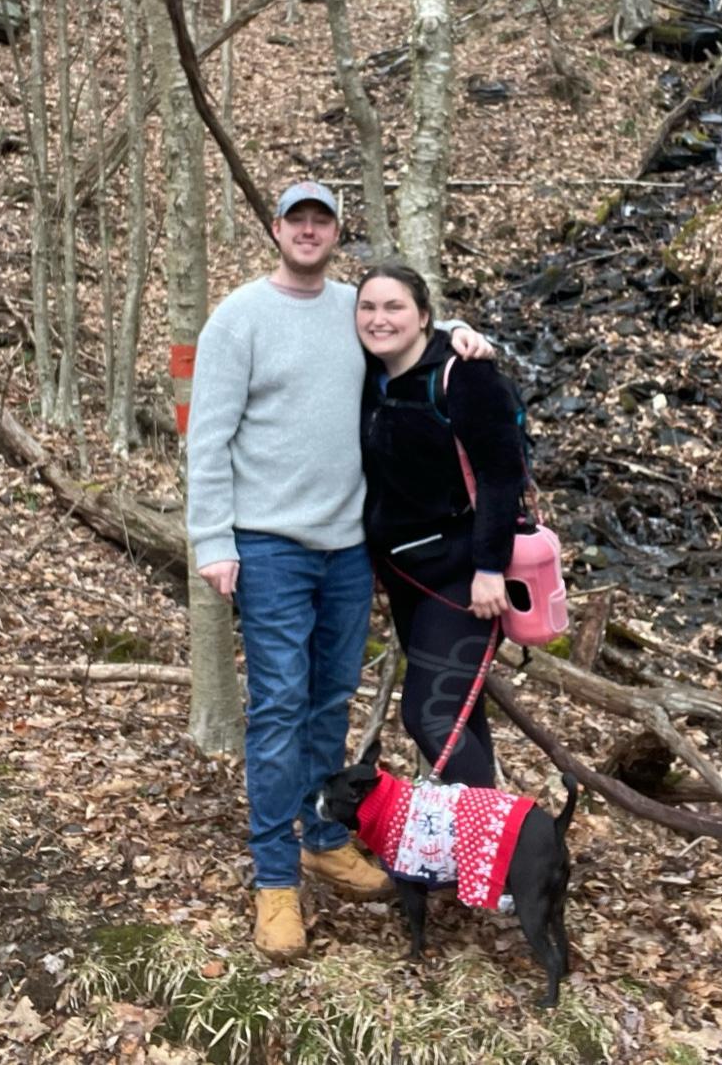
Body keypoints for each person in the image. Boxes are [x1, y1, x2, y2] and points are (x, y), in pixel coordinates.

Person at [186, 182, 492, 961]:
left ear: (335, 232)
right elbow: (208, 438)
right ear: (278, 229)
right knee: (280, 704)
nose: (310, 231)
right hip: (268, 546)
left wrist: (461, 333)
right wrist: (211, 539)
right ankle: (275, 879)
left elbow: (408, 329)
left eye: (323, 220)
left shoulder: (355, 308)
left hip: (349, 548)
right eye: (298, 219)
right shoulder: (239, 318)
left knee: (330, 699)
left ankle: (325, 837)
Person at [356, 262, 529, 790]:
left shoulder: (463, 374)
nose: (379, 319)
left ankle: (500, 850)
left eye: (394, 307)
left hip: (462, 575)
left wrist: (489, 567)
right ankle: (485, 851)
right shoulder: (367, 377)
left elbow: (502, 475)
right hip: (406, 575)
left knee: (429, 716)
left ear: (424, 316)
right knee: (460, 716)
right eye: (368, 307)